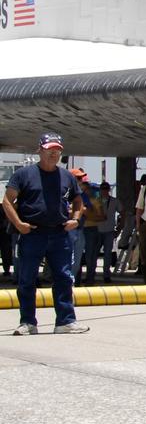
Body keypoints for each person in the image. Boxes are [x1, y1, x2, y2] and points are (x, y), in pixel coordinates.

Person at [3, 133, 88, 334]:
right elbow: (7, 201)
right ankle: (27, 323)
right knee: (27, 279)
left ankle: (65, 321)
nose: (53, 153)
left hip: (59, 234)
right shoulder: (23, 175)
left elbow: (78, 200)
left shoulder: (66, 176)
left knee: (64, 278)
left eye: (57, 150)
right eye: (49, 150)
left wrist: (75, 219)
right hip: (32, 234)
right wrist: (18, 224)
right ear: (39, 150)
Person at [69, 168, 90, 284]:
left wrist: (77, 210)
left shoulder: (82, 195)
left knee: (76, 261)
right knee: (68, 260)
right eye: (78, 178)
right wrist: (79, 210)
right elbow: (65, 212)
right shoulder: (64, 193)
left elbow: (88, 211)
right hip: (67, 231)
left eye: (81, 178)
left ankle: (71, 282)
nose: (81, 181)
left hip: (80, 230)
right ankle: (66, 284)